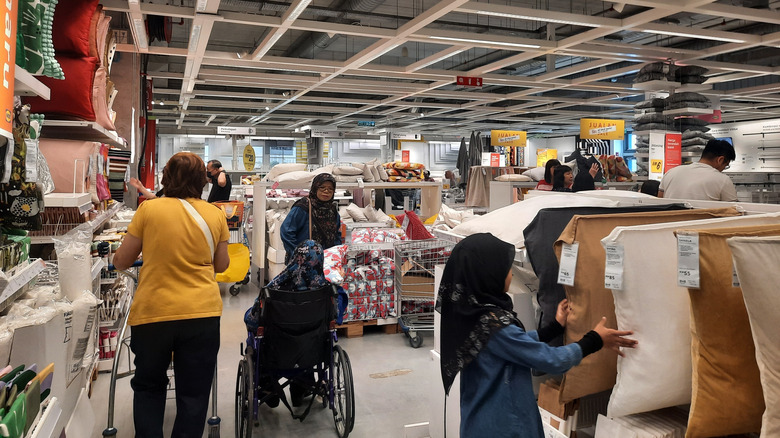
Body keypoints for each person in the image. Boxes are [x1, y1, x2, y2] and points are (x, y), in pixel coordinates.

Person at [437, 233, 637, 438]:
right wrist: (595, 339)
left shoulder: (474, 316)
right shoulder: (494, 325)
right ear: (488, 275)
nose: (510, 274)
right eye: (506, 269)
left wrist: (554, 328)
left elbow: (516, 345)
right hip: (504, 427)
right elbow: (553, 360)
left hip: (480, 422)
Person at [113, 152, 230, 438]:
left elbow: (121, 261)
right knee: (194, 393)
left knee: (149, 386)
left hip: (153, 312)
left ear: (166, 177)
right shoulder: (215, 214)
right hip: (201, 313)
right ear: (202, 180)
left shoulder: (149, 210)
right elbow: (221, 265)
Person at [281, 173, 342, 263]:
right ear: (315, 188)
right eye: (322, 187)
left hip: (326, 261)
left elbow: (337, 234)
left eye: (330, 189)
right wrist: (298, 254)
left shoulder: (332, 210)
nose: (326, 191)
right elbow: (286, 231)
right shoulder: (304, 207)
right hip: (303, 261)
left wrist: (335, 254)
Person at [658, 139, 737, 201]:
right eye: (726, 165)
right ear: (720, 160)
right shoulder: (723, 180)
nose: (723, 169)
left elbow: (659, 202)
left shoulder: (671, 172)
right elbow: (734, 209)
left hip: (669, 217)